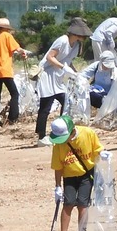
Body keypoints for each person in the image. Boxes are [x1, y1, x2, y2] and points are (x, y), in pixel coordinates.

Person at [49, 115, 109, 231]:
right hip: (69, 176)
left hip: (86, 175)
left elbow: (98, 150)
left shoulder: (88, 133)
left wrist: (103, 155)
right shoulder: (58, 145)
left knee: (83, 204)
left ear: (71, 130)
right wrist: (58, 186)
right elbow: (58, 167)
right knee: (68, 203)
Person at [35, 17, 93, 146]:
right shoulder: (62, 41)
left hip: (58, 77)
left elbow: (68, 60)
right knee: (45, 106)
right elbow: (50, 57)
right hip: (48, 75)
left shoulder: (76, 45)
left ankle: (62, 132)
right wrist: (63, 67)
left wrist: (76, 73)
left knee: (66, 103)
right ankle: (41, 137)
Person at [0, 17, 28, 127]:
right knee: (14, 94)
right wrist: (23, 53)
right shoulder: (6, 36)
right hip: (5, 70)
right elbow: (17, 49)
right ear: (5, 28)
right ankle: (12, 118)